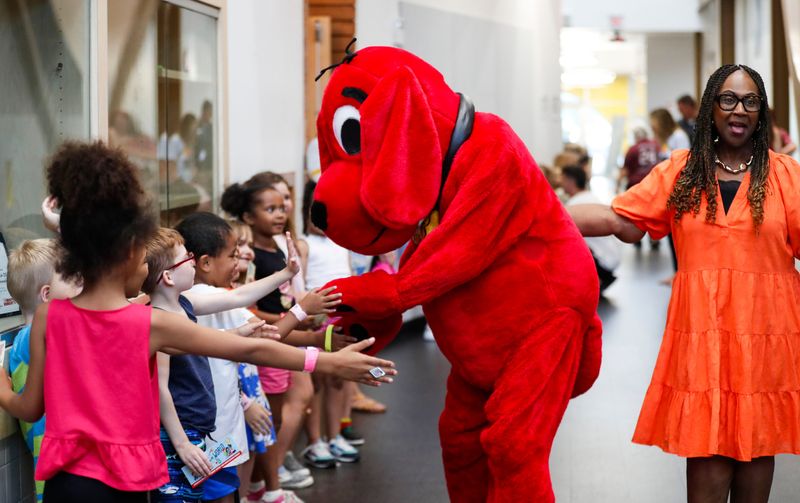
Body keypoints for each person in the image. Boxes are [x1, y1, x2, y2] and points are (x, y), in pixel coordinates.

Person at [0, 141, 397, 501]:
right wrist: (327, 360)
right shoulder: (147, 323)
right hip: (126, 489)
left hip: (65, 488)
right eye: (142, 256)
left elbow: (29, 407)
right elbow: (250, 347)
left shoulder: (53, 316)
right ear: (127, 253)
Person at [568, 64, 800, 503]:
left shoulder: (786, 176)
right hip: (704, 340)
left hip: (766, 341)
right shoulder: (682, 172)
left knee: (756, 454)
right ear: (711, 106)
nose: (739, 110)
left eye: (751, 101)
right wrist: (531, 215)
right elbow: (620, 220)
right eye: (728, 99)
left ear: (761, 111)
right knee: (708, 455)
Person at [6, 239, 83, 502]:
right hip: (58, 467)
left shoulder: (24, 341)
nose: (83, 282)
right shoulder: (31, 337)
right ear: (47, 294)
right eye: (74, 277)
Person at [560, 166, 620, 293]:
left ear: (570, 181)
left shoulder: (574, 205)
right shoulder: (590, 197)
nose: (560, 182)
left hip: (601, 264)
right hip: (610, 259)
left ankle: (594, 280)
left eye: (563, 179)